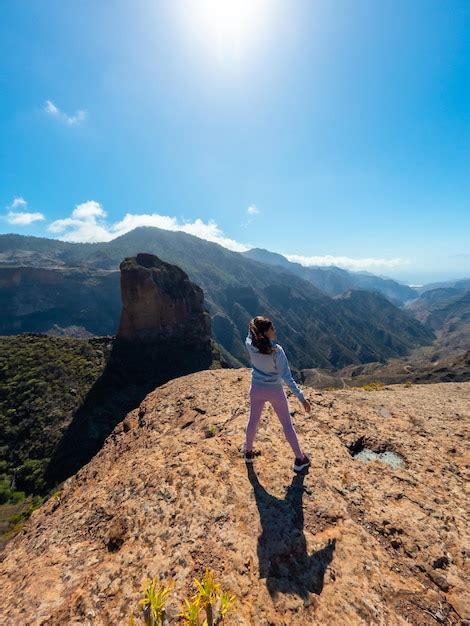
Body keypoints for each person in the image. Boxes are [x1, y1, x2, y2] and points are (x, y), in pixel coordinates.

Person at [244, 315, 311, 472]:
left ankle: (248, 452)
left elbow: (249, 334)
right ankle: (300, 459)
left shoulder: (249, 344)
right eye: (271, 328)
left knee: (252, 421)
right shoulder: (276, 351)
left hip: (256, 389)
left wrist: (253, 326)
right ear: (265, 333)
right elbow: (287, 378)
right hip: (275, 391)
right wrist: (302, 398)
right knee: (287, 425)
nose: (275, 330)